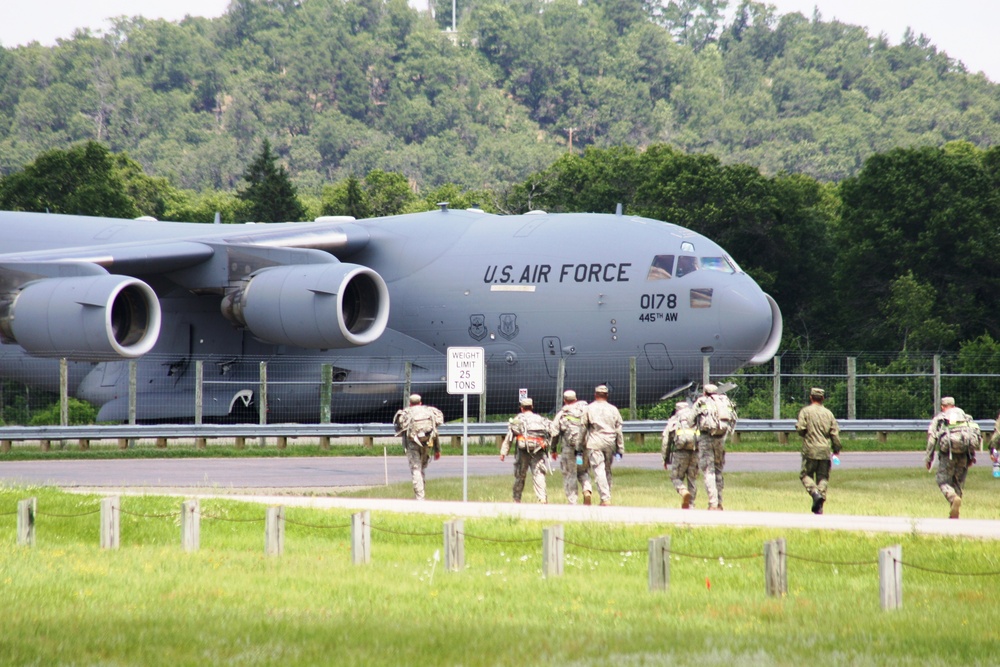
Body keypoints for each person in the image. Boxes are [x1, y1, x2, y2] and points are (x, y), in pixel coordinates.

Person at [925, 397, 980, 519]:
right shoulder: (966, 417)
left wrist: (929, 458)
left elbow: (932, 439)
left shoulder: (940, 418)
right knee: (958, 481)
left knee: (943, 480)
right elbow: (972, 436)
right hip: (965, 454)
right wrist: (972, 456)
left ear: (943, 407)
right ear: (954, 405)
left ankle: (952, 498)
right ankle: (955, 510)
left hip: (947, 454)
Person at [795, 387, 842, 515]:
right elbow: (834, 434)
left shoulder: (805, 412)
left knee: (805, 475)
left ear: (811, 397)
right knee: (823, 477)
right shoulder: (829, 414)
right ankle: (820, 503)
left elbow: (800, 429)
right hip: (824, 450)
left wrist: (804, 431)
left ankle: (815, 493)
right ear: (822, 399)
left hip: (810, 449)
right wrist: (836, 449)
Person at [392, 393, 444, 501]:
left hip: (412, 444)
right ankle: (421, 493)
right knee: (422, 468)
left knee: (416, 469)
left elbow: (399, 427)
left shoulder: (406, 413)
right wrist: (437, 450)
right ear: (420, 402)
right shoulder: (429, 411)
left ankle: (420, 498)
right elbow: (435, 430)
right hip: (427, 442)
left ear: (410, 403)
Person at [500, 397, 552, 503]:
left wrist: (503, 452)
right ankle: (542, 498)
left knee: (520, 475)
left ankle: (517, 498)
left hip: (523, 451)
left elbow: (509, 437)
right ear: (532, 407)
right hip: (538, 450)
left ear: (522, 408)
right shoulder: (539, 419)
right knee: (539, 473)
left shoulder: (518, 419)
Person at [694, 383, 737, 510]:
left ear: (705, 392)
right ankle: (720, 502)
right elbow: (733, 418)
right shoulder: (724, 401)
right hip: (721, 439)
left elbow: (691, 418)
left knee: (709, 470)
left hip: (706, 438)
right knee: (718, 470)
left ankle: (712, 502)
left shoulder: (702, 401)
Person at [582, 384, 624, 506]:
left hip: (595, 443)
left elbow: (583, 429)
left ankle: (605, 498)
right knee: (607, 470)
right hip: (610, 443)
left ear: (595, 395)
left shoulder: (588, 409)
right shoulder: (614, 409)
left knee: (599, 470)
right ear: (607, 396)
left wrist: (580, 445)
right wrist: (620, 448)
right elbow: (618, 431)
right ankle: (606, 495)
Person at [550, 389, 592, 505]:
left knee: (570, 473)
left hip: (569, 450)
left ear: (565, 400)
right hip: (583, 449)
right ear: (576, 399)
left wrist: (553, 449)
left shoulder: (562, 414)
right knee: (583, 471)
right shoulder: (585, 411)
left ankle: (573, 501)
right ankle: (587, 489)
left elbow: (554, 434)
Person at [662, 400, 699, 509]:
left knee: (675, 477)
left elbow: (666, 441)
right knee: (692, 479)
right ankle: (691, 504)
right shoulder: (695, 418)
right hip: (695, 451)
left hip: (680, 452)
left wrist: (665, 458)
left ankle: (683, 491)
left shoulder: (674, 420)